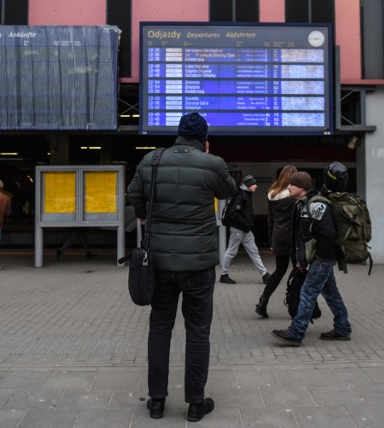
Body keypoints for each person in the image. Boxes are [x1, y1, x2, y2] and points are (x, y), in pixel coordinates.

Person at [126, 112, 237, 422]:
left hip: (160, 262)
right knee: (198, 332)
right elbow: (228, 192)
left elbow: (133, 195)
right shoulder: (212, 163)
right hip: (199, 264)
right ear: (204, 139)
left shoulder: (153, 160)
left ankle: (157, 401)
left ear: (177, 134)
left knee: (160, 329)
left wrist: (152, 217)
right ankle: (195, 403)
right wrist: (208, 155)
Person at [270, 170, 352, 347]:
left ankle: (296, 332)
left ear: (302, 187)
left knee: (308, 292)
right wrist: (301, 259)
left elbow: (327, 234)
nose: (289, 186)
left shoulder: (316, 205)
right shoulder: (302, 204)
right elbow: (304, 236)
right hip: (319, 258)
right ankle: (343, 328)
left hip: (322, 259)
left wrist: (320, 258)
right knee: (331, 294)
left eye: (292, 184)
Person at [255, 165, 299, 318]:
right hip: (293, 239)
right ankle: (295, 306)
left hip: (278, 237)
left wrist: (271, 240)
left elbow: (270, 220)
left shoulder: (272, 195)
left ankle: (263, 302)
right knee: (298, 271)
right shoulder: (294, 197)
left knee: (279, 271)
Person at [219, 175, 270, 285]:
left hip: (245, 230)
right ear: (248, 185)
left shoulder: (246, 194)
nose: (256, 186)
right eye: (253, 184)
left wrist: (247, 226)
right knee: (231, 251)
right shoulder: (240, 196)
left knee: (254, 251)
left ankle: (265, 274)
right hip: (238, 229)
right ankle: (224, 275)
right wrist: (246, 224)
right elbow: (234, 213)